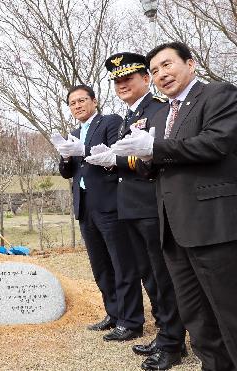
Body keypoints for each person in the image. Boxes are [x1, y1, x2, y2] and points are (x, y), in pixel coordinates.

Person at [112, 41, 237, 371]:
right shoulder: (165, 113)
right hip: (174, 230)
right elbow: (162, 161)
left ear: (190, 64)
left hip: (212, 226)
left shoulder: (218, 95)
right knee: (197, 319)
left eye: (167, 65)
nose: (161, 74)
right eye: (154, 71)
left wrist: (156, 148)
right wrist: (140, 157)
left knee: (229, 313)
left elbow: (217, 142)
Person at [85, 52, 187, 370]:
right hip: (128, 205)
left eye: (128, 78)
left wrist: (115, 159)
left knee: (161, 275)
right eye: (117, 81)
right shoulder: (129, 116)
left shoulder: (156, 109)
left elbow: (150, 157)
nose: (122, 85)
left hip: (149, 203)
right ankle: (165, 333)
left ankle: (173, 340)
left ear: (146, 78)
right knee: (148, 276)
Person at [52, 85, 144, 342]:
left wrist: (87, 152)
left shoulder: (110, 122)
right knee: (101, 266)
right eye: (73, 103)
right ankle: (113, 314)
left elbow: (119, 155)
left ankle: (132, 321)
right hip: (84, 206)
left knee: (122, 264)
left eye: (82, 100)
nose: (78, 106)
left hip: (109, 203)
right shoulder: (72, 132)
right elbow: (67, 172)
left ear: (94, 101)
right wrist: (67, 157)